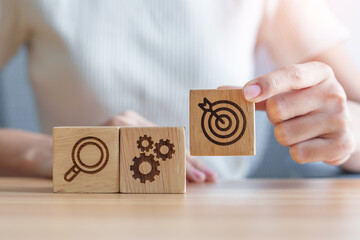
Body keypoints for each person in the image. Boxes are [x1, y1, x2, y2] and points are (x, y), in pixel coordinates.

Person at [0, 0, 359, 181]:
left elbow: (351, 106)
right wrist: (56, 153)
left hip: (224, 223)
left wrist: (347, 132)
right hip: (75, 217)